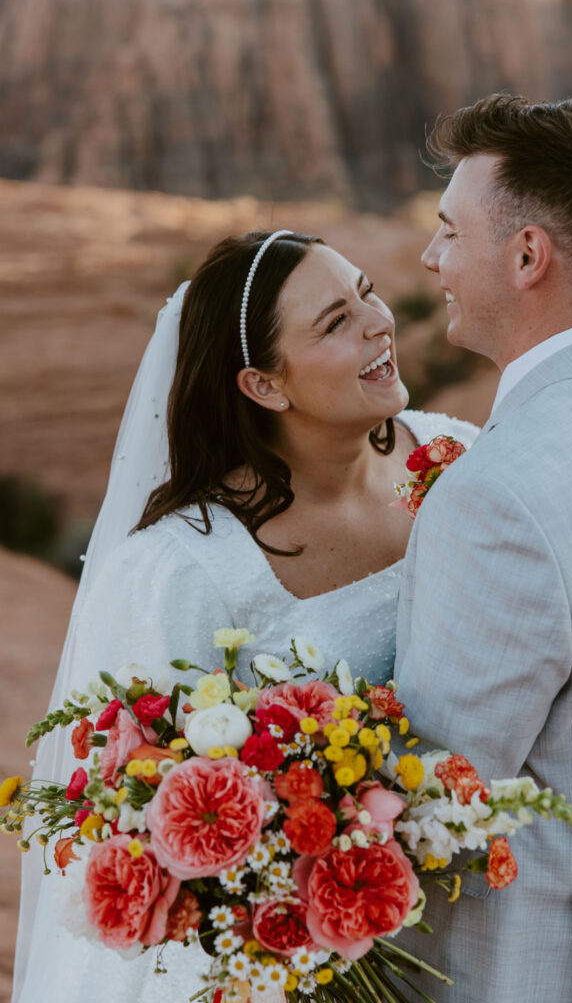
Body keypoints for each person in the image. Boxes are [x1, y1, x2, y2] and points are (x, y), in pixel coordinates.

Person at [12, 230, 478, 1003]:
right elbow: (151, 805)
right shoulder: (185, 569)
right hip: (291, 965)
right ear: (264, 386)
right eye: (334, 321)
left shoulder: (456, 459)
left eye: (367, 291)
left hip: (475, 919)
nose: (377, 321)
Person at [395, 94, 572, 1002]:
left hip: (540, 973)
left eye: (449, 230)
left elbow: (440, 801)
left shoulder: (493, 496)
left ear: (527, 256)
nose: (430, 259)